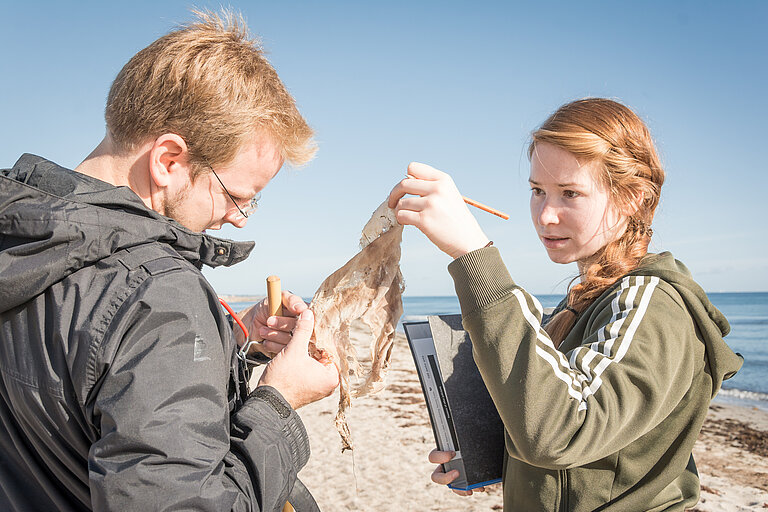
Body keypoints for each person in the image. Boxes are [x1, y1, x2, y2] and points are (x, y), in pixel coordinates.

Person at [0, 10, 339, 512]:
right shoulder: (160, 297)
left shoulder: (22, 238)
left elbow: (76, 373)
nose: (238, 219)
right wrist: (280, 402)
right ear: (168, 160)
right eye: (237, 196)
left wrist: (229, 340)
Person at [388, 98, 742, 511]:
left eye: (570, 193)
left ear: (633, 197)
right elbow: (576, 449)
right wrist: (493, 453)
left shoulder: (651, 304)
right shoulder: (581, 301)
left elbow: (564, 431)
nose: (545, 216)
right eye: (538, 191)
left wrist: (474, 256)